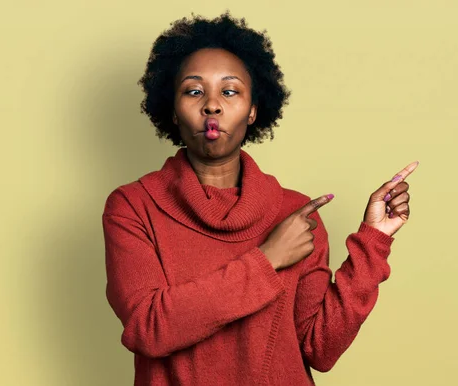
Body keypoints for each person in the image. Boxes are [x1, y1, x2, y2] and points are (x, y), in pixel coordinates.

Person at [102, 10, 419, 386]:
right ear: (172, 110)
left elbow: (320, 349)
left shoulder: (298, 214)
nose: (212, 106)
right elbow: (148, 328)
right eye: (194, 91)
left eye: (230, 91)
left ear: (253, 110)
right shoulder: (133, 206)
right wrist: (269, 259)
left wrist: (374, 240)